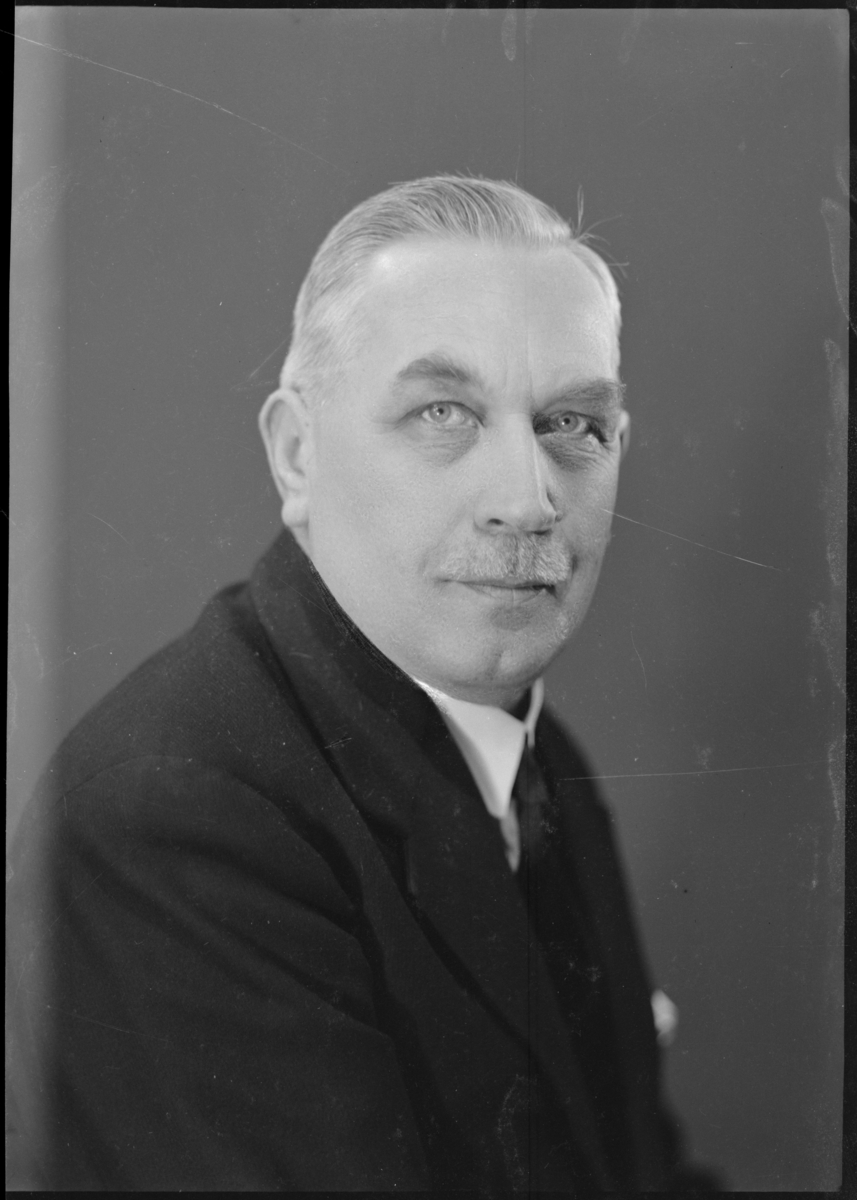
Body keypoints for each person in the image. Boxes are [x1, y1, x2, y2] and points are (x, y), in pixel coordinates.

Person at [7, 176, 714, 1190]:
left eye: (571, 423)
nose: (526, 500)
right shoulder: (174, 819)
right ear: (296, 455)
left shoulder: (529, 752)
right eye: (442, 412)